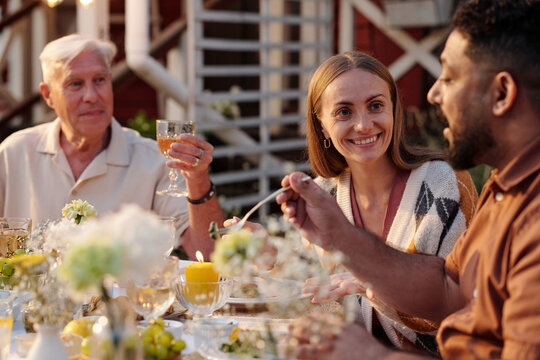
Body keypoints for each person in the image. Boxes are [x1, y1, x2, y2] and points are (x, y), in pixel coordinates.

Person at [278, 0, 540, 358]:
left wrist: (369, 354)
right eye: (343, 111)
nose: (433, 94)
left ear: (501, 93)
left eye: (448, 77)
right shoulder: (505, 187)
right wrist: (339, 236)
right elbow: (448, 288)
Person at [290, 50, 476, 355]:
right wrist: (272, 258)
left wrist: (372, 286)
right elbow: (315, 305)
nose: (363, 125)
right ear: (321, 125)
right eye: (344, 112)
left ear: (394, 111)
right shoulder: (322, 195)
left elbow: (466, 306)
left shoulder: (445, 185)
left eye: (375, 106)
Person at [0, 34, 223, 259]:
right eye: (75, 83)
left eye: (100, 80)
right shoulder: (13, 154)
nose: (91, 96)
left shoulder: (154, 161)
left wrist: (198, 180)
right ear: (48, 95)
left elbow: (207, 252)